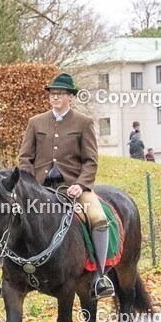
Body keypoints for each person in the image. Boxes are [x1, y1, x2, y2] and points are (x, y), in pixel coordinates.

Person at [18, 72, 111, 299]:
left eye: (59, 94)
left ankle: (100, 276)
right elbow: (24, 158)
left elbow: (91, 160)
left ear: (71, 96)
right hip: (39, 187)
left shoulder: (84, 123)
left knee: (98, 218)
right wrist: (30, 184)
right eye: (52, 93)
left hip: (73, 188)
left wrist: (81, 185)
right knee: (13, 216)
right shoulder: (35, 122)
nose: (54, 97)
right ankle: (11, 276)